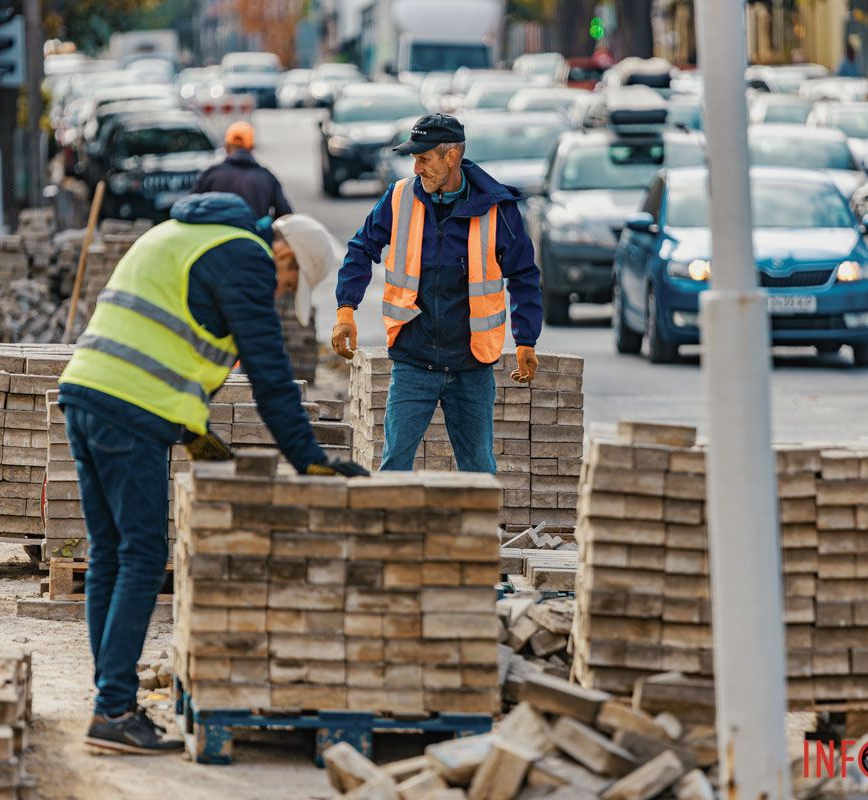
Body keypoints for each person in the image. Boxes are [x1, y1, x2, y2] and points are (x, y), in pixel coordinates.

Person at [58, 192, 367, 754]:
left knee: (109, 551)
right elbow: (272, 374)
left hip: (86, 394)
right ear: (285, 257)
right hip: (130, 411)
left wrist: (191, 427)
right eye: (287, 284)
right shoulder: (245, 257)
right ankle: (113, 710)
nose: (277, 294)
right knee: (143, 555)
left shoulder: (187, 234)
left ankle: (111, 700)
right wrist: (309, 459)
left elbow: (165, 337)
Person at [330, 113, 543, 473]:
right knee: (395, 463)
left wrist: (526, 339)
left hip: (471, 364)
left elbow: (524, 275)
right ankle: (391, 530)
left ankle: (478, 531)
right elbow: (361, 248)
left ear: (451, 157)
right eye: (414, 158)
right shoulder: (399, 197)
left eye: (424, 158)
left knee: (478, 468)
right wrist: (345, 310)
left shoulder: (498, 208)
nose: (417, 168)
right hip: (415, 359)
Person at [190, 121, 292, 220]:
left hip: (217, 236)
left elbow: (190, 206)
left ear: (226, 146)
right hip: (253, 236)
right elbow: (285, 215)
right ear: (251, 147)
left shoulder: (211, 175)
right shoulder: (266, 177)